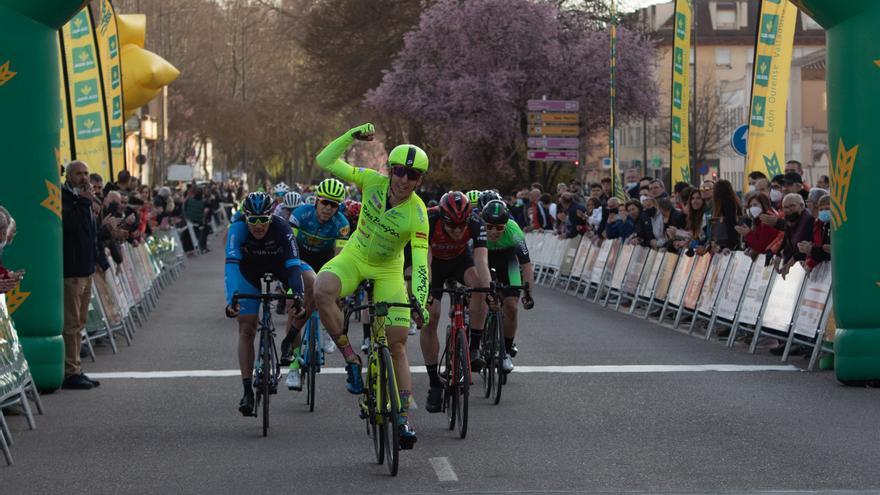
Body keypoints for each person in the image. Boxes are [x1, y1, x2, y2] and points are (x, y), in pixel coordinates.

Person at [311, 123, 429, 447]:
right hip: (355, 257)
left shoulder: (418, 214)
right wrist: (350, 135)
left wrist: (420, 299)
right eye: (399, 171)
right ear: (390, 170)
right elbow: (325, 160)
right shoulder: (371, 181)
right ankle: (350, 356)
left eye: (413, 175)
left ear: (419, 180)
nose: (404, 180)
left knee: (398, 345)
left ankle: (403, 418)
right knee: (321, 289)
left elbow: (419, 262)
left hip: (388, 270)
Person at [224, 192, 305, 416]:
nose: (258, 226)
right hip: (248, 271)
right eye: (253, 221)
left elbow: (293, 265)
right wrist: (232, 299)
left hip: (279, 266)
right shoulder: (237, 229)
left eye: (263, 220)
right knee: (247, 327)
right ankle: (247, 390)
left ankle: (294, 348)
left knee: (307, 287)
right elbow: (231, 265)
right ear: (245, 218)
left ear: (271, 217)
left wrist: (297, 294)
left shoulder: (283, 228)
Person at [420, 191, 491, 413]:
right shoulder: (429, 220)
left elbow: (481, 260)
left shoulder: (476, 222)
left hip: (461, 260)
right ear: (442, 217)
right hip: (435, 265)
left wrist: (488, 290)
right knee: (431, 317)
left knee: (480, 285)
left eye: (462, 226)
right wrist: (427, 293)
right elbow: (425, 260)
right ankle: (434, 383)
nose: (459, 230)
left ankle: (474, 347)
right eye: (453, 226)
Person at [279, 179, 351, 391]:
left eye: (334, 205)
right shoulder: (300, 214)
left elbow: (339, 258)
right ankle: (293, 365)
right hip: (301, 260)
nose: (328, 208)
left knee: (335, 293)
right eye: (325, 203)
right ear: (317, 201)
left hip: (327, 261)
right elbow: (289, 248)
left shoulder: (342, 224)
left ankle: (329, 330)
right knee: (295, 307)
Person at [61, 161, 104, 390]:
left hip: (86, 270)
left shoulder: (86, 201)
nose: (84, 177)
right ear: (69, 176)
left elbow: (91, 234)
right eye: (79, 174)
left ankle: (76, 367)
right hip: (72, 271)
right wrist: (84, 202)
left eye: (86, 173)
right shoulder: (66, 199)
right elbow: (70, 226)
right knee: (71, 324)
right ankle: (70, 372)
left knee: (79, 323)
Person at [480, 200, 534, 373]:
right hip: (483, 258)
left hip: (507, 260)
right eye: (489, 227)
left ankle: (505, 352)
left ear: (506, 225)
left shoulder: (514, 230)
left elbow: (526, 265)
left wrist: (528, 293)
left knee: (511, 307)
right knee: (478, 299)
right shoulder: (476, 229)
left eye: (499, 228)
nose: (494, 232)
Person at [735, 192, 782, 257]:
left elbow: (762, 247)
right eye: (750, 206)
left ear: (763, 205)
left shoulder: (767, 221)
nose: (752, 208)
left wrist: (748, 234)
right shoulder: (757, 222)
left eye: (755, 205)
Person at [709, 179, 741, 252]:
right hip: (728, 241)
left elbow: (730, 222)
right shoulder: (733, 201)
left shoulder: (727, 202)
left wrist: (730, 244)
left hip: (726, 242)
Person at [801, 194, 831, 271]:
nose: (824, 211)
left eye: (827, 209)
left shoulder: (833, 227)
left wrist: (811, 250)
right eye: (821, 209)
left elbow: (827, 252)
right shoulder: (823, 224)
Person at [184, 187, 211, 253]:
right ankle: (202, 247)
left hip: (189, 221)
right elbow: (207, 212)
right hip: (199, 222)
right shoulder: (204, 202)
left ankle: (191, 248)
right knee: (205, 230)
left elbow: (185, 209)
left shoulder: (189, 200)